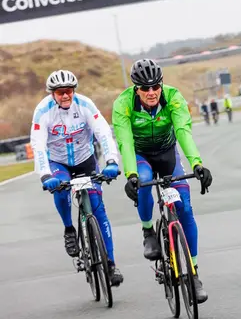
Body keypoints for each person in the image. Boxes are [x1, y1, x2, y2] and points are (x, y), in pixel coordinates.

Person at [112, 59, 213, 303]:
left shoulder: (174, 97)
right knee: (145, 180)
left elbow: (183, 132)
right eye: (144, 88)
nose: (151, 92)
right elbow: (124, 141)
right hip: (141, 155)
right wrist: (131, 175)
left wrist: (197, 164)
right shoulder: (123, 104)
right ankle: (148, 231)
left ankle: (194, 273)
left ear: (161, 84)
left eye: (155, 86)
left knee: (185, 208)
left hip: (168, 153)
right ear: (136, 88)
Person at [30, 70, 124, 285]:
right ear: (52, 94)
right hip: (57, 162)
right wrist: (45, 174)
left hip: (85, 159)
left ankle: (110, 264)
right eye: (60, 92)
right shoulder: (43, 111)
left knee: (99, 210)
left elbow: (103, 132)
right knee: (60, 191)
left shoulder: (85, 105)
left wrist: (111, 161)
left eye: (69, 91)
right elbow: (38, 144)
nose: (65, 96)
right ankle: (69, 229)